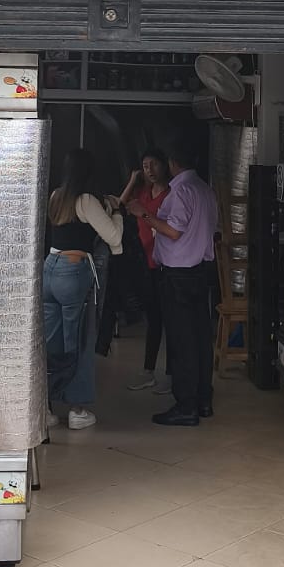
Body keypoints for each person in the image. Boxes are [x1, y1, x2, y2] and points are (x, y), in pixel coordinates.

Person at [130, 132, 218, 428]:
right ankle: (203, 399)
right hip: (201, 272)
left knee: (182, 342)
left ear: (172, 163)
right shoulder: (205, 190)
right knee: (201, 339)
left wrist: (144, 214)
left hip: (179, 274)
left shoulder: (180, 192)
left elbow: (174, 231)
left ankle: (186, 405)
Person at [45, 149, 122, 431]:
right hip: (74, 271)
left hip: (49, 269)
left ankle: (45, 408)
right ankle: (77, 409)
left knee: (51, 342)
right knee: (78, 340)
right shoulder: (87, 200)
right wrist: (117, 213)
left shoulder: (56, 196)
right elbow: (113, 236)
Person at [120, 150, 170, 392]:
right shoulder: (143, 194)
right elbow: (120, 206)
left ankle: (172, 373)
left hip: (166, 265)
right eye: (145, 165)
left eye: (154, 164)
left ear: (165, 165)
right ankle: (148, 371)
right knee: (154, 320)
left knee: (170, 321)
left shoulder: (171, 194)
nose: (149, 169)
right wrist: (132, 180)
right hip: (146, 265)